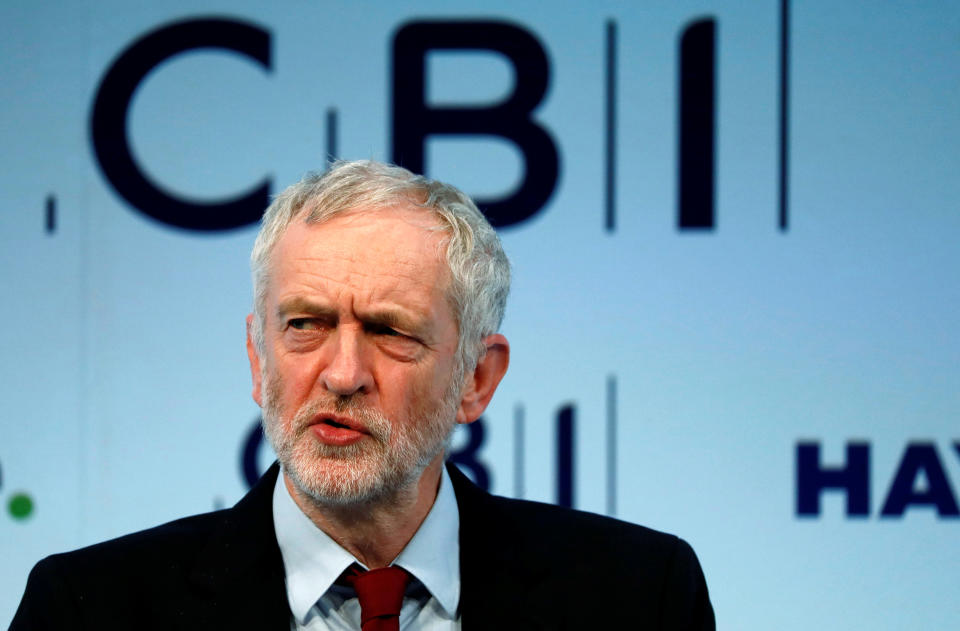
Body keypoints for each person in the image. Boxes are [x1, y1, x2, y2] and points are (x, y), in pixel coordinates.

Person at [11, 160, 714, 630]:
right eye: (306, 324)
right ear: (259, 358)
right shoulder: (88, 609)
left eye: (390, 331)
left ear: (477, 378)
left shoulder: (638, 598)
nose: (343, 372)